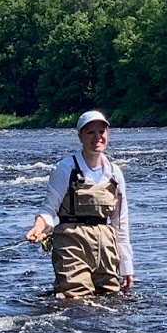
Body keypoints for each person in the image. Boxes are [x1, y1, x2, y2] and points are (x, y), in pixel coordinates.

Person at [26, 109, 134, 298]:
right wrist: (39, 227)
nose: (97, 137)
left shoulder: (115, 173)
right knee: (75, 301)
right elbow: (49, 209)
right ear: (80, 137)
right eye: (90, 132)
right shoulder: (65, 168)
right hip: (71, 244)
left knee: (110, 301)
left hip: (106, 248)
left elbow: (120, 223)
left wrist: (126, 266)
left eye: (101, 131)